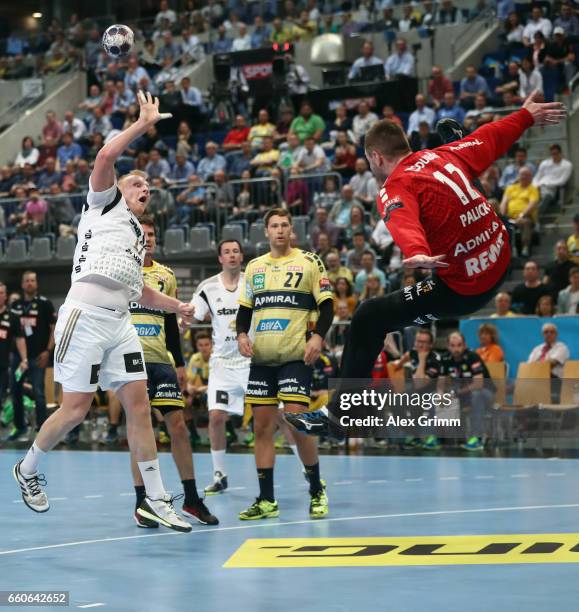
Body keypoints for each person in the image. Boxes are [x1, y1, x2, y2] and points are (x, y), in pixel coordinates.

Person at [285, 92, 565, 437]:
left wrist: (415, 249)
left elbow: (400, 214)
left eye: (369, 161)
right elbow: (490, 136)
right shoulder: (442, 154)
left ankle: (341, 416)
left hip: (467, 286)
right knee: (467, 160)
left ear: (375, 156)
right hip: (501, 252)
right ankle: (462, 158)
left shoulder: (394, 186)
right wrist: (524, 116)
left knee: (368, 317)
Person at [12, 91, 194, 533]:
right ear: (119, 187)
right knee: (75, 410)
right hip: (84, 314)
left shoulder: (136, 237)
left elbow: (142, 294)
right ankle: (28, 468)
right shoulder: (102, 202)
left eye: (148, 187)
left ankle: (155, 499)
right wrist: (144, 123)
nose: (144, 188)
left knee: (138, 404)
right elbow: (107, 153)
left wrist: (179, 306)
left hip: (119, 324)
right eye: (137, 182)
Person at [235, 208, 333, 520]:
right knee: (262, 427)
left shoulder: (309, 261)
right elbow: (245, 310)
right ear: (266, 232)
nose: (280, 230)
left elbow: (327, 305)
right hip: (262, 358)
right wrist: (240, 335)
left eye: (285, 225)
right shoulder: (254, 267)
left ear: (292, 230)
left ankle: (316, 488)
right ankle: (266, 500)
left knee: (297, 422)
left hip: (295, 355)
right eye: (274, 225)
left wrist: (317, 337)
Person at [128, 216, 217, 526]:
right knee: (140, 431)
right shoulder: (122, 269)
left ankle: (191, 499)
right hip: (129, 361)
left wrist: (179, 362)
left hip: (161, 361)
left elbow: (169, 319)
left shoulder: (165, 275)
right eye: (143, 234)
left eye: (152, 234)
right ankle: (142, 503)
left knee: (178, 426)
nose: (148, 239)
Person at [189, 240, 251, 495]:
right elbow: (191, 315)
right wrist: (177, 321)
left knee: (277, 416)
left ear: (241, 256)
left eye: (236, 251)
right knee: (215, 417)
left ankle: (307, 470)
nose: (232, 255)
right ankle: (219, 474)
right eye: (227, 252)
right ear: (220, 259)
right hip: (222, 364)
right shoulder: (208, 287)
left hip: (251, 360)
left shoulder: (254, 282)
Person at [8, 272, 56, 441]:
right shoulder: (15, 306)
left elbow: (53, 330)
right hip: (18, 358)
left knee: (39, 392)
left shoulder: (45, 304)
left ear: (37, 284)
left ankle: (41, 430)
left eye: (32, 281)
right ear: (22, 284)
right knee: (15, 391)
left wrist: (48, 351)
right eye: (27, 281)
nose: (30, 283)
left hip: (38, 356)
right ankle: (20, 428)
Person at [440, 332, 494, 451]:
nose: (456, 349)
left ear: (464, 345)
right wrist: (441, 394)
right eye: (452, 346)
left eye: (459, 345)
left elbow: (478, 384)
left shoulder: (472, 357)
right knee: (437, 396)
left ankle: (477, 438)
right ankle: (438, 437)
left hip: (485, 392)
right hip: (463, 393)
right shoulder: (446, 358)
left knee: (476, 395)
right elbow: (441, 381)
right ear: (448, 346)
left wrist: (455, 394)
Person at [392, 328, 442, 450]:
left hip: (431, 391)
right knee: (395, 401)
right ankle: (411, 432)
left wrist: (422, 359)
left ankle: (419, 436)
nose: (420, 345)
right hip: (415, 390)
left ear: (430, 345)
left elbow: (420, 383)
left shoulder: (435, 358)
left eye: (424, 342)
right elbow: (401, 360)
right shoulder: (413, 352)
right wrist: (398, 364)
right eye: (418, 341)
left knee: (417, 399)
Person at [0, 283, 28, 429]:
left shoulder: (12, 317)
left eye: (1, 293)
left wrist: (24, 359)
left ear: (5, 295)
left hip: (2, 367)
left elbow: (20, 338)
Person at [500, 166, 539, 257]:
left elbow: (532, 204)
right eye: (522, 174)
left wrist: (522, 214)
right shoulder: (510, 188)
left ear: (531, 177)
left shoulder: (533, 189)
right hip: (509, 217)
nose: (524, 177)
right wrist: (502, 216)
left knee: (525, 222)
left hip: (524, 217)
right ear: (518, 176)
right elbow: (504, 202)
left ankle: (525, 247)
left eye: (527, 175)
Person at [532, 144, 573, 214]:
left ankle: (534, 215)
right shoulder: (544, 163)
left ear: (560, 153)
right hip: (538, 188)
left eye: (556, 154)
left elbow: (562, 181)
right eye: (552, 154)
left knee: (546, 196)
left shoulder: (567, 165)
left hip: (552, 190)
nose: (554, 156)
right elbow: (536, 177)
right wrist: (536, 186)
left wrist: (545, 184)